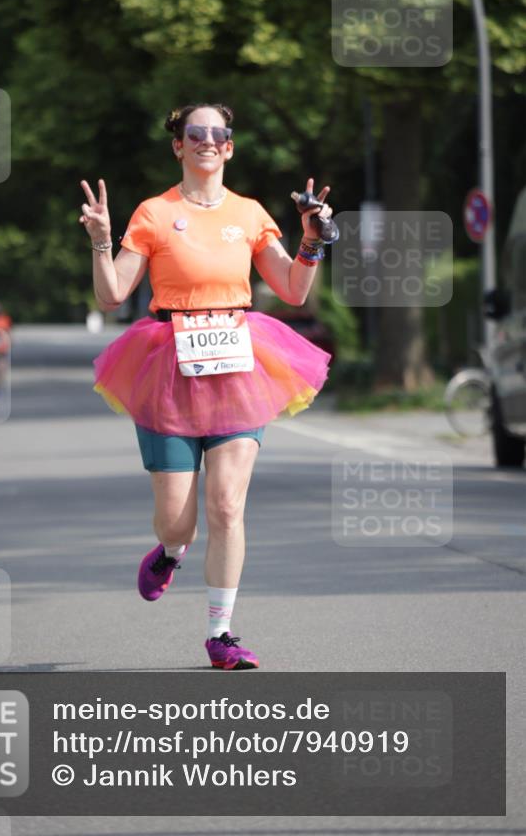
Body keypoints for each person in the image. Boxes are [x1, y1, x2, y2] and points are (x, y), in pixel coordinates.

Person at [80, 103, 332, 670]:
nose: (208, 142)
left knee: (226, 505)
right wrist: (100, 239)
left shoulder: (249, 214)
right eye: (196, 133)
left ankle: (222, 633)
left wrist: (312, 240)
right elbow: (112, 293)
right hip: (168, 366)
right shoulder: (153, 212)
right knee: (179, 517)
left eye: (219, 134)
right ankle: (171, 551)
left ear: (230, 147)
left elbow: (293, 288)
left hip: (238, 363)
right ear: (179, 146)